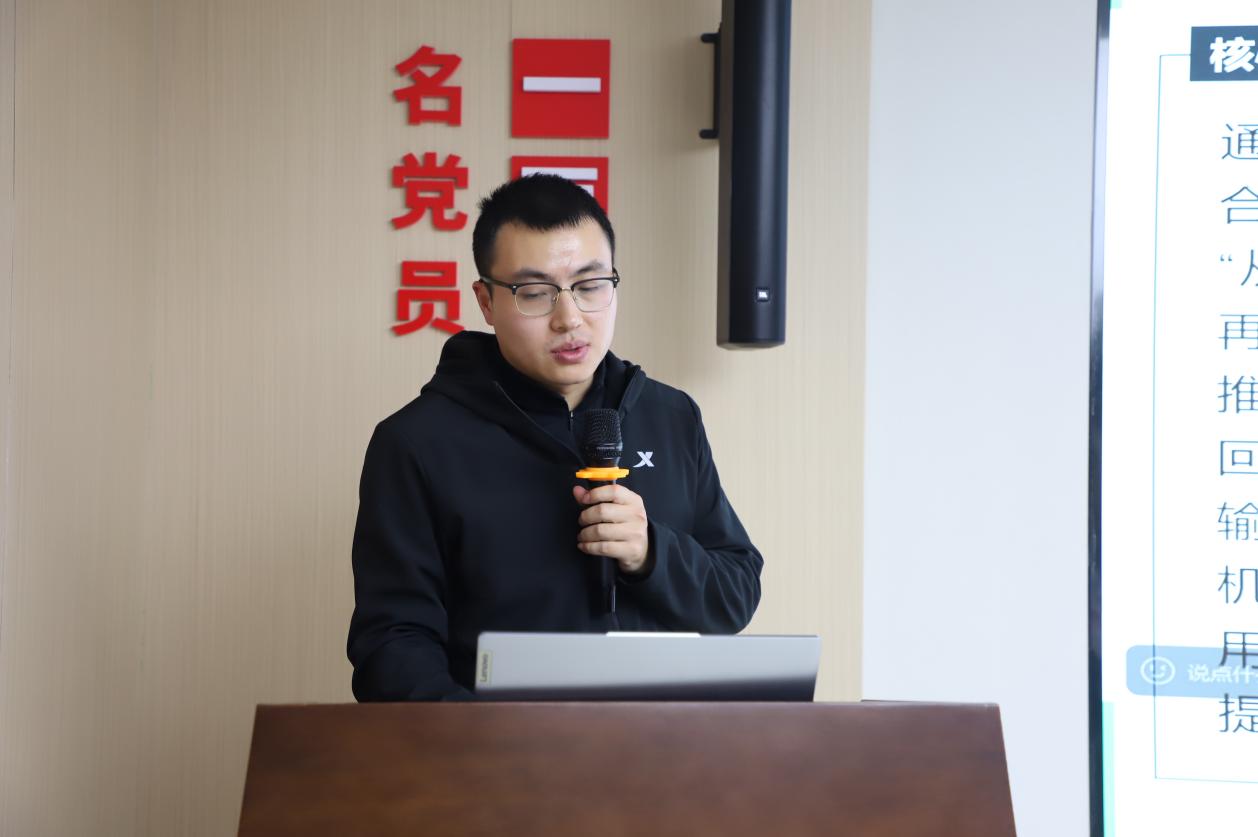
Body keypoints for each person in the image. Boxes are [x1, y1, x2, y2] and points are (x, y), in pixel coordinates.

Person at [347, 174, 762, 700]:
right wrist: (479, 737)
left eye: (590, 286)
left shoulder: (671, 415)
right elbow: (391, 644)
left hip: (660, 741)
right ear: (485, 301)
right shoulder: (416, 442)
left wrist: (651, 553)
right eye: (535, 293)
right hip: (493, 745)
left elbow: (734, 595)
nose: (569, 319)